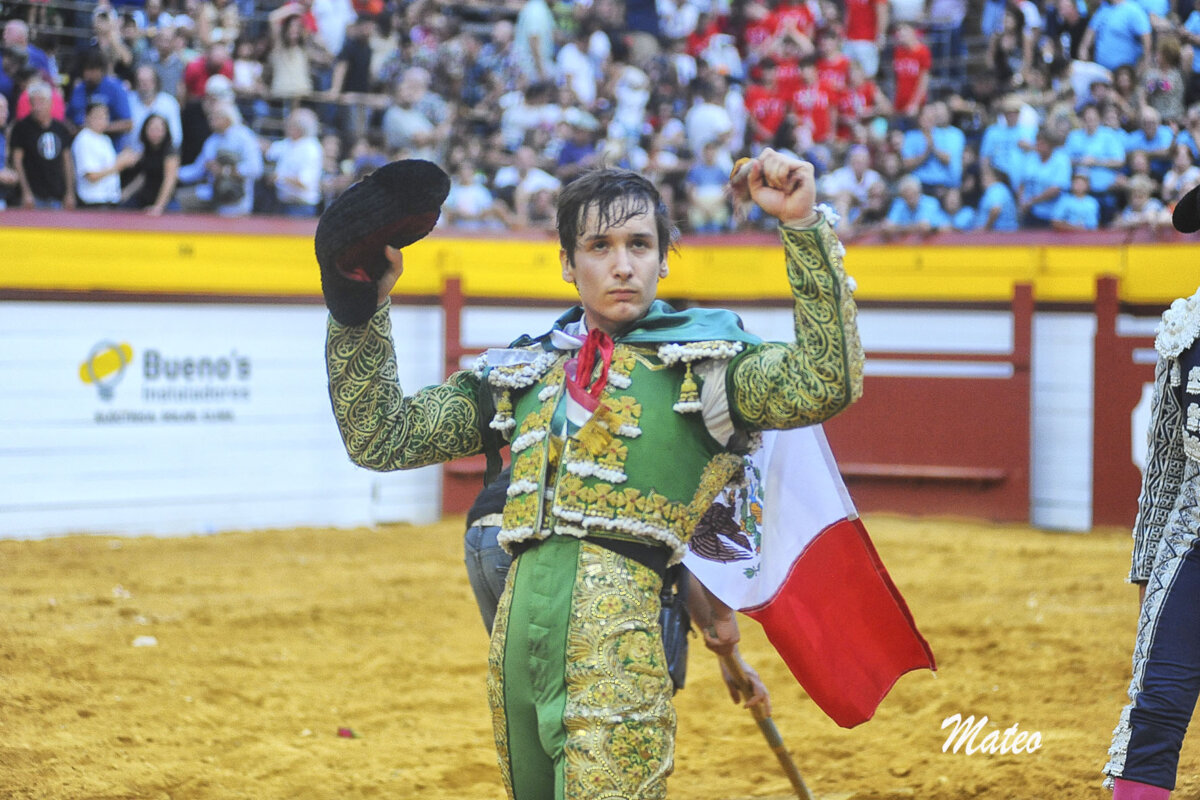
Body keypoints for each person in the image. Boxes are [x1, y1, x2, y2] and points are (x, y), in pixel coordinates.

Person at [321, 149, 863, 799]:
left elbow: (825, 382)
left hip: (621, 648)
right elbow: (384, 436)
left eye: (640, 244)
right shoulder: (526, 372)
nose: (623, 264)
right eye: (600, 246)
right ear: (567, 265)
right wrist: (360, 305)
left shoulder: (707, 367)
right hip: (516, 656)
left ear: (664, 259)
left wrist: (803, 228)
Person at [1103, 185, 1200, 799]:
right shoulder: (1186, 330)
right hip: (1191, 537)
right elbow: (1165, 464)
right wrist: (1147, 574)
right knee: (1158, 702)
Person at [176, 100, 262, 216]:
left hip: (237, 199)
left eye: (214, 116)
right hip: (213, 194)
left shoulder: (244, 137)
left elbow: (256, 169)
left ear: (227, 118)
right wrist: (174, 173)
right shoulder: (212, 141)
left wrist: (224, 170)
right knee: (179, 200)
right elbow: (197, 169)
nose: (210, 120)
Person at [10, 81, 74, 209]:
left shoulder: (60, 128)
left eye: (41, 102)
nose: (37, 107)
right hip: (34, 196)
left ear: (51, 103)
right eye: (33, 102)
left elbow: (67, 161)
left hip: (58, 195)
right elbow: (17, 161)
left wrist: (70, 192)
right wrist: (26, 192)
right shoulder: (21, 128)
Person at [72, 100, 137, 208]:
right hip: (93, 202)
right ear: (86, 118)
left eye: (105, 116)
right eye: (97, 116)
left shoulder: (105, 139)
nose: (102, 120)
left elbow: (108, 165)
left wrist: (125, 158)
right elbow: (91, 176)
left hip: (110, 199)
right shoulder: (84, 139)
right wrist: (119, 164)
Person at [121, 112, 180, 215]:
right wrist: (125, 194)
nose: (155, 133)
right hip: (144, 197)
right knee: (123, 209)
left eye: (159, 129)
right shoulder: (146, 150)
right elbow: (143, 177)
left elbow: (170, 180)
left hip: (166, 201)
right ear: (145, 130)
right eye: (152, 129)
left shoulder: (171, 152)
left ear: (165, 132)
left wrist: (159, 206)